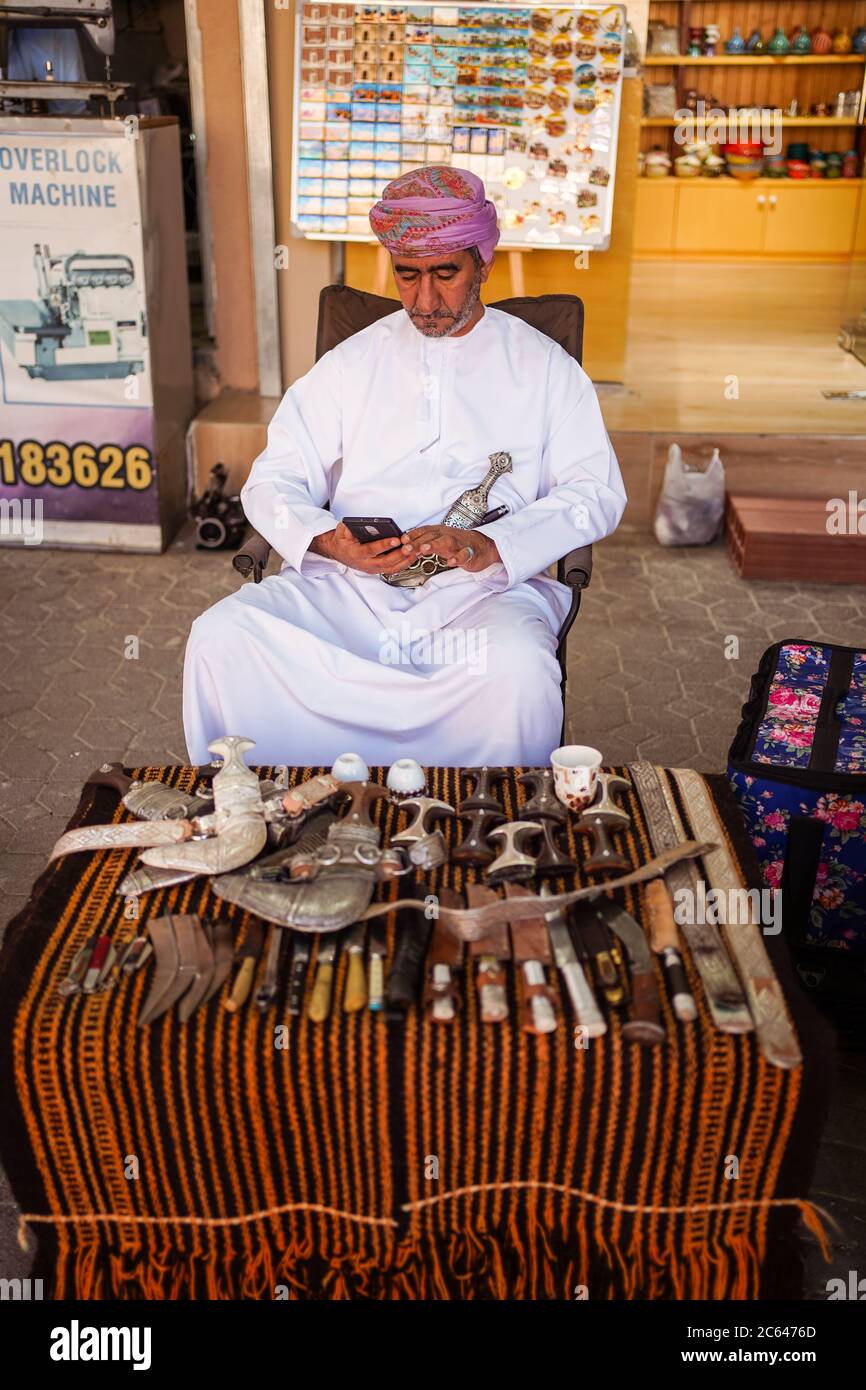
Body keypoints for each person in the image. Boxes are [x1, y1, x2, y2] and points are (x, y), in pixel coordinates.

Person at [183, 166, 627, 767]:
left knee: (517, 675)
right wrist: (328, 540)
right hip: (349, 591)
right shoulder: (351, 362)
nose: (424, 299)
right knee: (222, 637)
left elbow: (594, 491)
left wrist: (488, 542)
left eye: (446, 274)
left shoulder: (545, 368)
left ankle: (489, 832)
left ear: (483, 264)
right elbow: (274, 477)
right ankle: (260, 809)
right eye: (408, 275)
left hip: (483, 595)